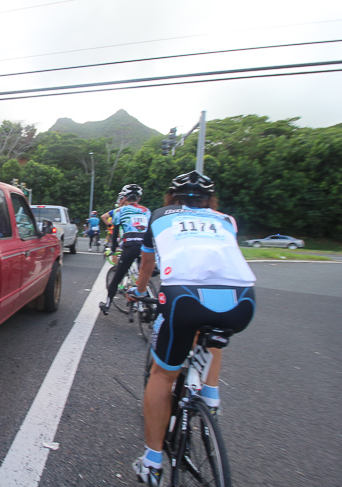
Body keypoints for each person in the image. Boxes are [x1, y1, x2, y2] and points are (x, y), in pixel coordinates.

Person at [127, 171, 256, 486]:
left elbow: (146, 266)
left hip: (184, 298)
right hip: (243, 301)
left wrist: (140, 292)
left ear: (172, 198)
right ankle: (210, 397)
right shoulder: (227, 220)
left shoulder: (158, 216)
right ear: (211, 201)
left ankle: (152, 463)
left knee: (163, 374)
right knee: (213, 332)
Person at [99, 184, 150, 314]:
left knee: (117, 278)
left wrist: (113, 249)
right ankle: (147, 300)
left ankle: (107, 306)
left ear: (124, 198)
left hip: (130, 246)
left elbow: (115, 232)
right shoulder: (146, 210)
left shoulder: (119, 211)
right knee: (143, 273)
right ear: (138, 199)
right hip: (146, 246)